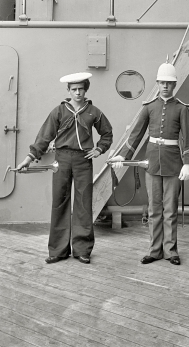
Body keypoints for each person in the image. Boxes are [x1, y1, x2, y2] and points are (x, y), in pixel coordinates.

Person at [16, 73, 113, 265]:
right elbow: (43, 138)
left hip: (83, 160)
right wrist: (28, 159)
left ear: (86, 90)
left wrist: (99, 149)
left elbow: (107, 134)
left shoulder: (94, 111)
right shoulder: (59, 111)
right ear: (68, 91)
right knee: (59, 203)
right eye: (74, 89)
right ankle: (58, 251)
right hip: (61, 160)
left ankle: (82, 250)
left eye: (81, 89)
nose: (78, 93)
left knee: (84, 204)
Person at [110, 62, 189, 266]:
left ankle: (171, 251)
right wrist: (123, 155)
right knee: (154, 209)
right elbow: (136, 134)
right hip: (153, 164)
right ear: (157, 83)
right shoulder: (149, 107)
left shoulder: (182, 108)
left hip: (174, 164)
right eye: (162, 82)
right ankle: (155, 250)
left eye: (169, 83)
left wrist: (187, 164)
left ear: (174, 84)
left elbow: (188, 138)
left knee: (170, 209)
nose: (165, 86)